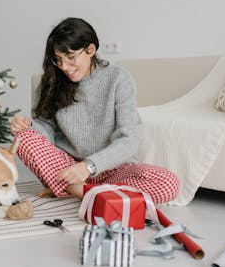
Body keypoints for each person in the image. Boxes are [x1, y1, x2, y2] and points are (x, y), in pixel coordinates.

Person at [10, 17, 179, 204]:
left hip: (112, 169)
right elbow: (46, 130)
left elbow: (130, 138)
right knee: (23, 137)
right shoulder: (51, 82)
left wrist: (89, 166)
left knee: (168, 184)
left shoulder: (119, 79)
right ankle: (93, 193)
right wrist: (29, 126)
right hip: (68, 168)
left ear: (90, 50)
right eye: (58, 59)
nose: (64, 67)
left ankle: (76, 191)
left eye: (70, 57)